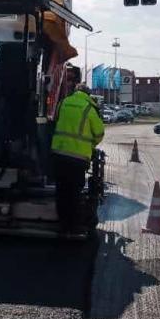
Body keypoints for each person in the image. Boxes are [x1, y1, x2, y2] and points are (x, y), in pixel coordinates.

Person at [51, 83, 105, 234]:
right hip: (78, 158)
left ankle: (61, 223)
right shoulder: (89, 108)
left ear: (75, 92)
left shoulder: (63, 102)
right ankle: (72, 225)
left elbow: (54, 122)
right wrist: (91, 146)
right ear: (88, 95)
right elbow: (99, 133)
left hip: (59, 153)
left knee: (61, 190)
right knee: (74, 192)